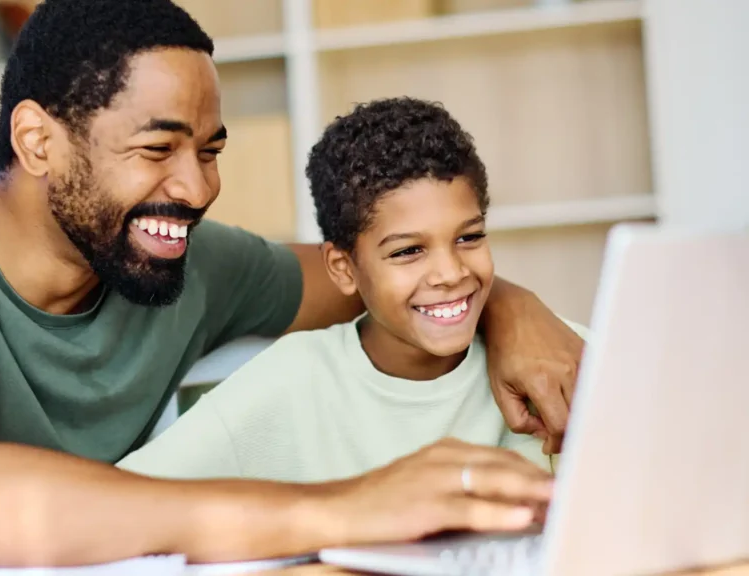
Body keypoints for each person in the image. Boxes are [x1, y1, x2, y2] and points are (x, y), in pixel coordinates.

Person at [0, 0, 583, 568]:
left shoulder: (179, 258)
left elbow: (379, 272)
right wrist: (348, 508)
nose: (197, 188)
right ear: (38, 140)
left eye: (210, 150)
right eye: (158, 148)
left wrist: (514, 311)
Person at [118, 96, 590, 484]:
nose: (450, 272)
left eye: (469, 237)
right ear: (343, 269)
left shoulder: (560, 358)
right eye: (408, 251)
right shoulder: (291, 380)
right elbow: (133, 499)